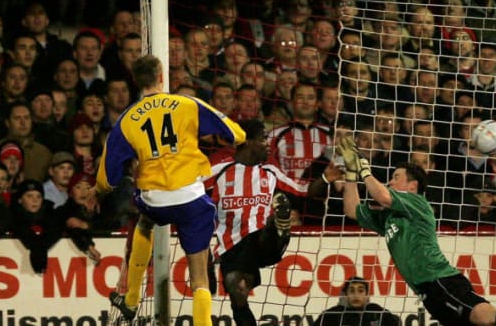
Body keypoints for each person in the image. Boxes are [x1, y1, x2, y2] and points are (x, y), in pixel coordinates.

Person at [337, 136, 496, 326]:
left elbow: (382, 195)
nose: (390, 182)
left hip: (441, 281)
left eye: (396, 177)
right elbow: (351, 210)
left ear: (413, 185)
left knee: (486, 317)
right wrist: (350, 173)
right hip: (428, 294)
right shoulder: (388, 217)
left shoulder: (417, 203)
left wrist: (363, 168)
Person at [97, 55, 246, 325]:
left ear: (135, 81)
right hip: (190, 197)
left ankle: (131, 298)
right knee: (199, 273)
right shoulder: (187, 104)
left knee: (143, 221)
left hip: (154, 199)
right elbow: (237, 134)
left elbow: (107, 178)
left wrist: (101, 189)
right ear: (162, 76)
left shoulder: (126, 120)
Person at [207, 119, 312, 326]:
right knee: (236, 291)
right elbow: (190, 193)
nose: (267, 144)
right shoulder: (217, 170)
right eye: (263, 138)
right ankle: (277, 225)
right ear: (248, 141)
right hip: (232, 247)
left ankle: (278, 226)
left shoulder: (270, 171)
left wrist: (326, 177)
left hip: (262, 242)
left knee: (267, 229)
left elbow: (302, 191)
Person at [313, 276, 401, 326]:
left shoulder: (377, 312)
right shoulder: (331, 315)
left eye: (360, 291)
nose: (356, 295)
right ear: (346, 295)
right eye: (351, 291)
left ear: (367, 295)